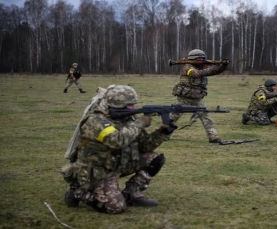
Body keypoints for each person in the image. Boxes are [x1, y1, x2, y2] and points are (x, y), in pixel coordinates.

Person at [61, 85, 172, 214]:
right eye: (130, 105)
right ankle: (78, 191)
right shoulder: (95, 120)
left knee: (154, 158)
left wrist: (163, 132)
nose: (134, 108)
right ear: (117, 105)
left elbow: (145, 146)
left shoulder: (127, 119)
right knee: (116, 207)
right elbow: (116, 140)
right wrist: (140, 123)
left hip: (116, 165)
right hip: (96, 172)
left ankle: (132, 193)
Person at [169, 49, 230, 143]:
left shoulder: (203, 68)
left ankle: (213, 137)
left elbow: (214, 72)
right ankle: (163, 135)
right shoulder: (188, 67)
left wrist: (223, 66)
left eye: (202, 58)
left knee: (207, 117)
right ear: (193, 58)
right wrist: (212, 68)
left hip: (197, 99)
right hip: (183, 99)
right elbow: (195, 74)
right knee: (173, 118)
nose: (201, 60)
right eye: (199, 58)